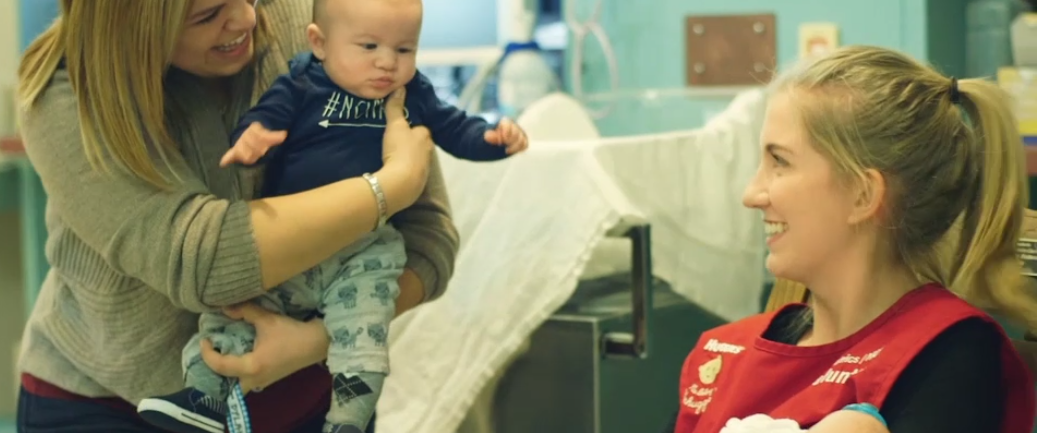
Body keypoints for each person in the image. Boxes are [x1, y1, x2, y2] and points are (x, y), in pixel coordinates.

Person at [14, 1, 460, 432]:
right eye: (208, 14)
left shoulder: (319, 20)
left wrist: (320, 341)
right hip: (109, 405)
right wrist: (389, 188)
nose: (248, 17)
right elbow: (204, 263)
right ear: (134, 26)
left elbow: (427, 238)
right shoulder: (63, 92)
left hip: (312, 403)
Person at [137, 0, 529, 431]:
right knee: (231, 313)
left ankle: (348, 418)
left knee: (364, 323)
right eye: (368, 46)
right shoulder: (303, 81)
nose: (386, 63)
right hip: (291, 248)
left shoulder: (410, 93)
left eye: (405, 50)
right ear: (319, 43)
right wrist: (253, 139)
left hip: (366, 250)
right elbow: (265, 118)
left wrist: (492, 139)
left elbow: (454, 129)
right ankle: (203, 396)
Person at [669, 45, 1037, 433]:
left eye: (780, 162)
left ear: (863, 195)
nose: (752, 194)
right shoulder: (723, 354)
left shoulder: (949, 354)